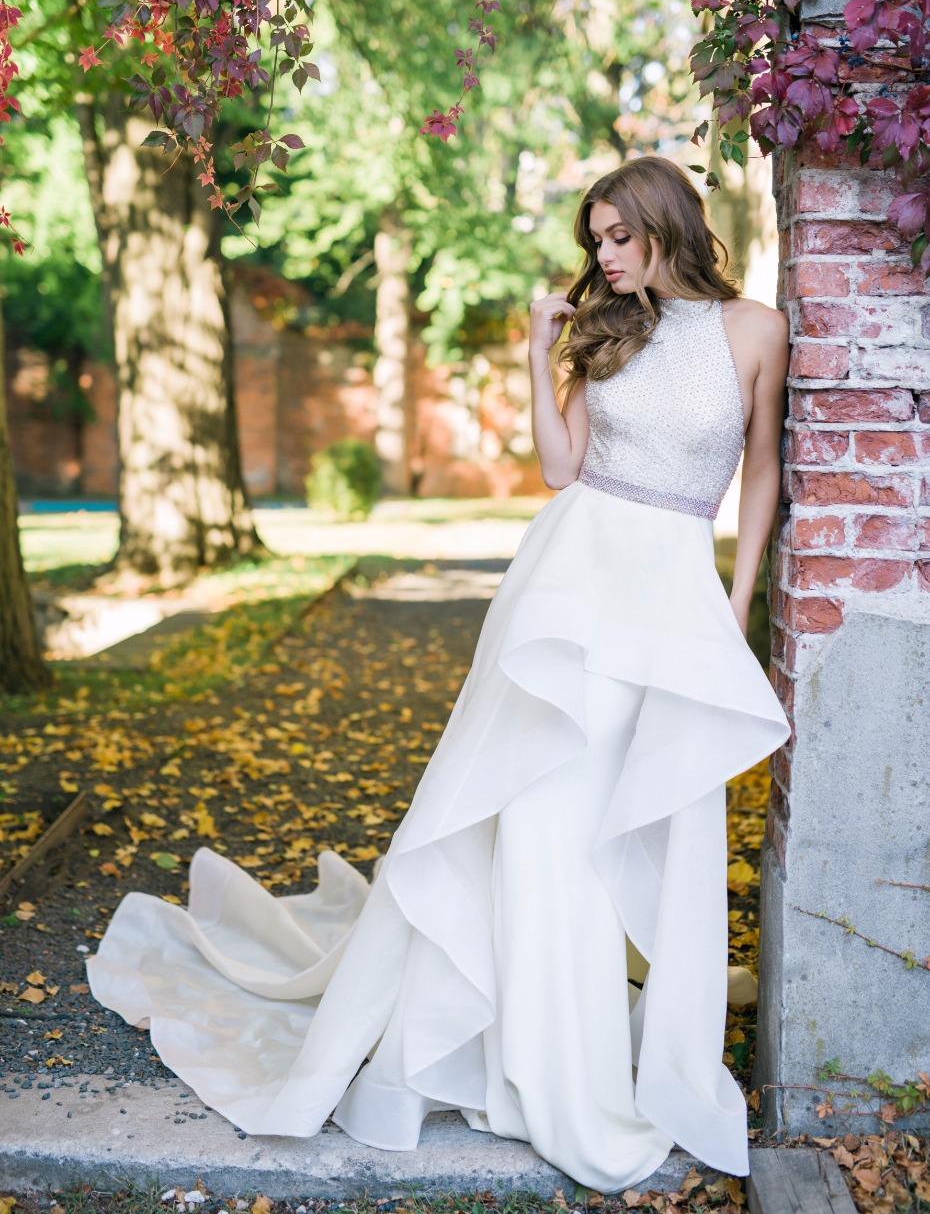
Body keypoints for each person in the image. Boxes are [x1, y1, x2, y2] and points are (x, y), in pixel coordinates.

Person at [87, 155, 791, 1193]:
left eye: (617, 237)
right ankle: (549, 1069)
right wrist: (533, 353)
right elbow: (560, 469)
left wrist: (735, 607)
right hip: (569, 588)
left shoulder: (756, 330)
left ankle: (613, 1045)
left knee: (631, 823)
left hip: (674, 594)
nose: (602, 255)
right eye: (594, 239)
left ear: (666, 225)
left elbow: (765, 465)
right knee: (545, 820)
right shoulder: (612, 331)